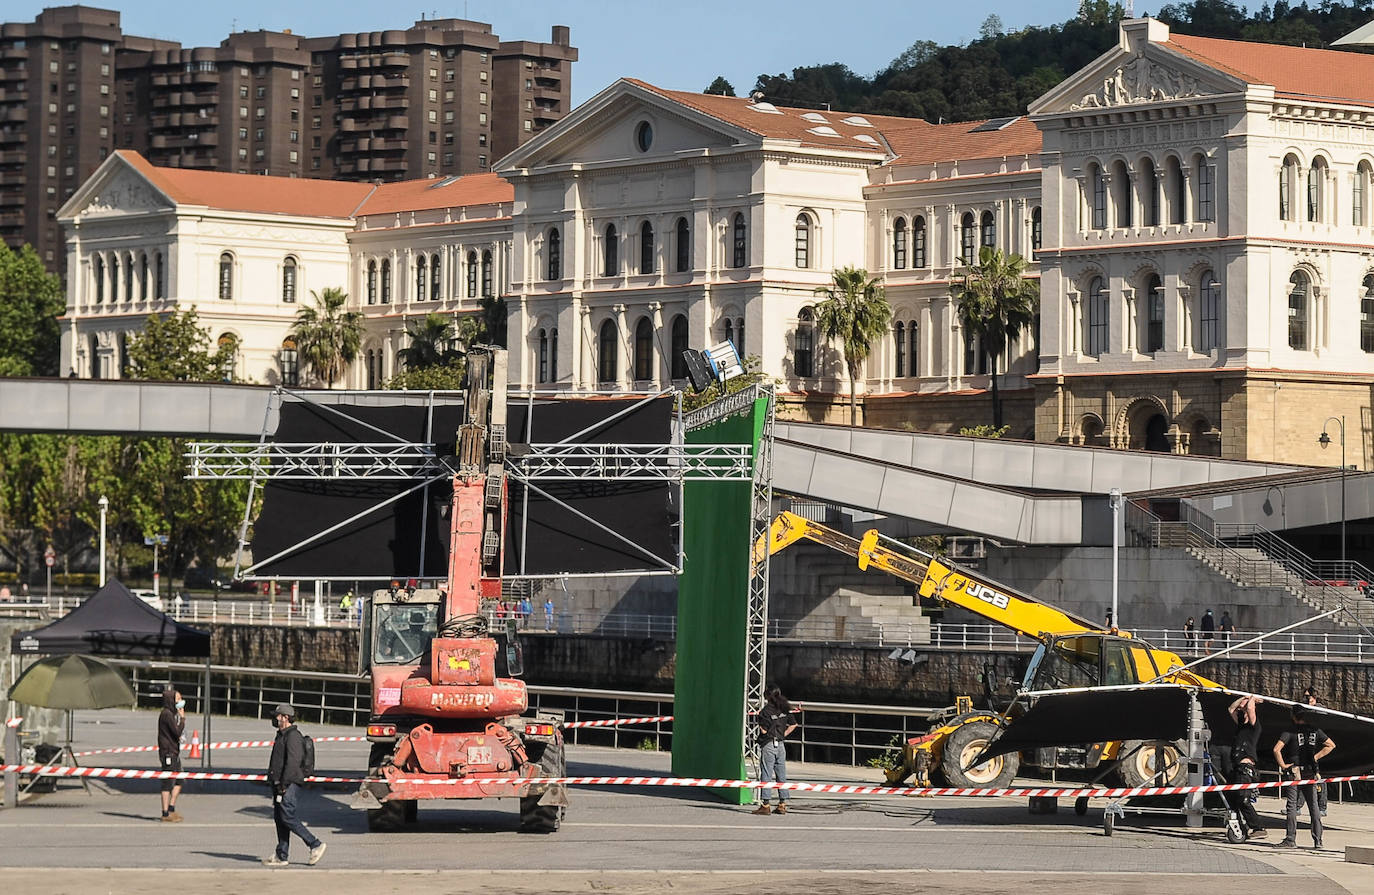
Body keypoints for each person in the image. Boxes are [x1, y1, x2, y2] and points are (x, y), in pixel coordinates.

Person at [263, 703, 326, 867]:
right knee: (280, 818)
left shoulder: (293, 736)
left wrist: (284, 784)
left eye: (277, 716)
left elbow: (293, 762)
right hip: (280, 784)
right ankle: (281, 855)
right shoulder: (282, 735)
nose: (275, 719)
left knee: (287, 816)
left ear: (285, 717)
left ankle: (315, 844)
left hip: (288, 784)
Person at [1273, 704, 1335, 849]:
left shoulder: (1290, 731)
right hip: (1310, 771)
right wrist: (1315, 757)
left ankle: (1290, 839)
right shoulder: (1314, 730)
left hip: (1295, 771)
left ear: (1293, 716)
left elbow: (1276, 749)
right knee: (1313, 806)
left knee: (1292, 806)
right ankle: (1318, 840)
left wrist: (1283, 765)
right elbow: (1331, 745)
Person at [1215, 694, 1266, 840]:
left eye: (1243, 708)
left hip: (1246, 769)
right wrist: (1243, 698)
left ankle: (1258, 827)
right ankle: (1240, 829)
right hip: (1236, 768)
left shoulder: (1254, 727)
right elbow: (1230, 709)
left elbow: (1250, 708)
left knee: (1243, 799)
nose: (1241, 708)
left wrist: (1251, 699)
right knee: (1232, 799)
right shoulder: (1241, 727)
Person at [752, 687, 797, 816]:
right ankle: (782, 803)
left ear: (767, 696)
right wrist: (783, 734)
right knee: (781, 774)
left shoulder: (765, 711)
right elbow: (794, 724)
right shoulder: (785, 708)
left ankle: (766, 804)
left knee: (766, 773)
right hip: (781, 745)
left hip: (769, 744)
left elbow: (763, 731)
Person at [157, 688, 185, 822]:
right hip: (168, 753)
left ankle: (171, 808)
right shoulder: (167, 714)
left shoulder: (172, 714)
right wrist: (183, 719)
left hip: (175, 752)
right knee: (167, 783)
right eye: (178, 699)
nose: (180, 702)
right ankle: (165, 813)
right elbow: (176, 731)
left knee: (179, 780)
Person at [1304, 687, 1329, 816]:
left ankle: (1322, 807)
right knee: (1304, 777)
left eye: (1308, 696)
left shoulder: (1321, 709)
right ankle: (1297, 806)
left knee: (1320, 778)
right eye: (1305, 697)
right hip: (1308, 747)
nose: (1307, 699)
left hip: (1318, 747)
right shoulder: (1305, 709)